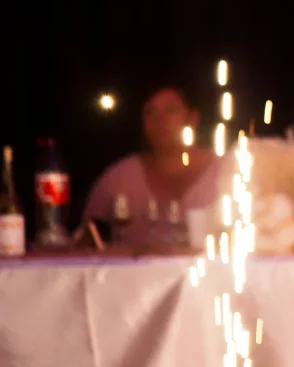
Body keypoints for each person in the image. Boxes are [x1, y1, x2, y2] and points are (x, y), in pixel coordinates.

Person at [82, 83, 220, 247]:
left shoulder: (223, 172)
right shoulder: (120, 179)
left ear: (192, 118)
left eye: (170, 110)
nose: (160, 120)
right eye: (150, 112)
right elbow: (85, 240)